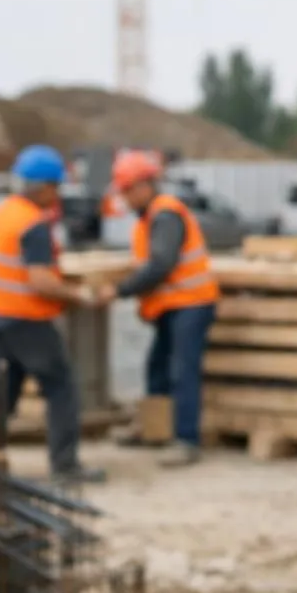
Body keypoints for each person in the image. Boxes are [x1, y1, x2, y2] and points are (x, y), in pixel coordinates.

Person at [0, 144, 110, 484]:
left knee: (5, 392)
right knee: (61, 386)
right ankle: (65, 466)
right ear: (45, 186)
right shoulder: (32, 224)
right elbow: (38, 280)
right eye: (57, 186)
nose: (59, 194)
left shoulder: (0, 212)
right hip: (26, 319)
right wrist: (77, 294)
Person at [109, 149, 219, 467]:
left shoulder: (166, 214)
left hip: (191, 303)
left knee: (183, 370)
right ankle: (154, 429)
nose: (126, 199)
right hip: (173, 306)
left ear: (144, 185)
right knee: (156, 367)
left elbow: (161, 264)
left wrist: (120, 290)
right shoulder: (150, 218)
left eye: (128, 190)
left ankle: (186, 440)